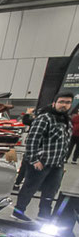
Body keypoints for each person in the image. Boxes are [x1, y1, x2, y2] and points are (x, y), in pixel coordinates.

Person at [12, 92, 73, 222]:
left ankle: (44, 215)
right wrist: (34, 160)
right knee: (30, 188)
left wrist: (62, 162)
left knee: (51, 191)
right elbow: (32, 140)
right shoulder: (45, 118)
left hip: (57, 164)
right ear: (54, 103)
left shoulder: (67, 121)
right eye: (61, 102)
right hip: (40, 162)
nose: (64, 105)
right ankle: (18, 211)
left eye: (67, 102)